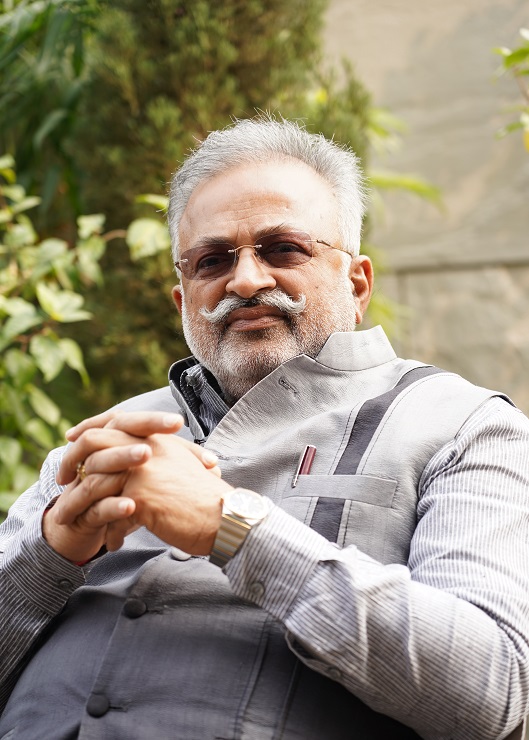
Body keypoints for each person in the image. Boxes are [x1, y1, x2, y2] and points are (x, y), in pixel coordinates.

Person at [0, 117, 528, 740]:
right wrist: (50, 551)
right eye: (212, 261)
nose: (247, 280)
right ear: (183, 301)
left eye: (283, 249)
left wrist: (230, 527)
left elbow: (491, 694)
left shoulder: (464, 426)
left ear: (357, 284)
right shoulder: (108, 439)